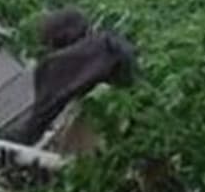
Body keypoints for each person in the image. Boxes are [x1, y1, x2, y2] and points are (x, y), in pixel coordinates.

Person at [15, 8, 137, 145]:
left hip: (106, 122)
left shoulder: (63, 61)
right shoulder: (111, 43)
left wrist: (17, 140)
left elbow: (42, 114)